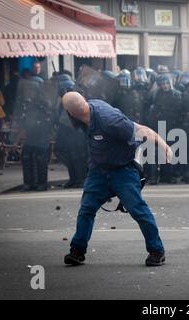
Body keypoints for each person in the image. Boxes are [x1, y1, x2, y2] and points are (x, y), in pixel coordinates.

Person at [62, 92, 171, 266]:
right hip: (98, 170)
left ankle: (157, 251)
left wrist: (163, 146)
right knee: (86, 209)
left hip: (123, 170)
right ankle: (77, 251)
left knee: (138, 210)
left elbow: (140, 129)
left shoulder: (109, 120)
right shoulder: (84, 114)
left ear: (71, 112)